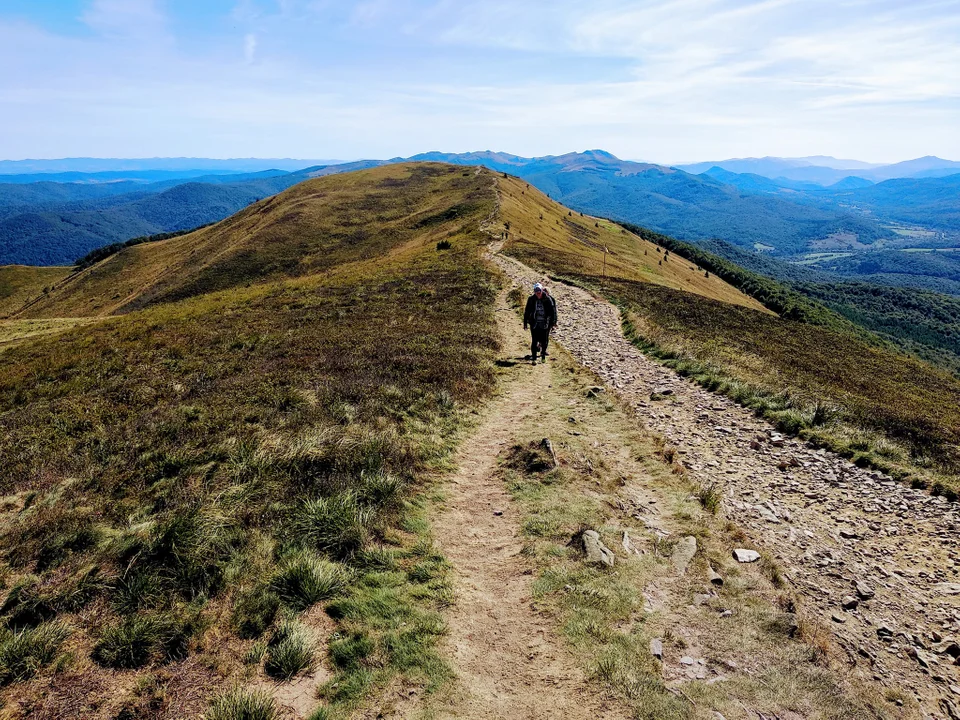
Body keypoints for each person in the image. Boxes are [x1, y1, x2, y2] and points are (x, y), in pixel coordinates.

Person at [523, 282, 557, 365]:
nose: (538, 293)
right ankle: (534, 358)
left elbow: (552, 311)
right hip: (534, 323)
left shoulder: (548, 299)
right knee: (534, 341)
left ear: (542, 290)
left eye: (539, 291)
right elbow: (527, 311)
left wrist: (553, 322)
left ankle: (543, 356)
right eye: (536, 291)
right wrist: (525, 323)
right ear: (534, 291)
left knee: (544, 341)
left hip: (545, 323)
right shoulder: (531, 299)